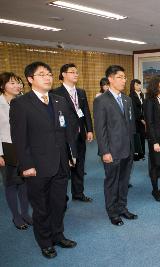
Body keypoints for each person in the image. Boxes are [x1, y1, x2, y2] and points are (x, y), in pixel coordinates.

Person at [10, 61, 78, 258]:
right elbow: (19, 138)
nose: (48, 77)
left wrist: (71, 154)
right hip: (37, 166)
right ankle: (45, 241)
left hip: (60, 163)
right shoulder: (20, 104)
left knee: (59, 203)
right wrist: (27, 165)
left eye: (49, 74)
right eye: (42, 74)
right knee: (41, 207)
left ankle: (58, 235)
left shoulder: (59, 101)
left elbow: (66, 132)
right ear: (30, 79)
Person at [93, 65, 138, 226]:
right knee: (112, 182)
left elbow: (130, 125)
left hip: (127, 149)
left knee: (124, 181)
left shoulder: (127, 99)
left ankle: (122, 207)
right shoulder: (101, 100)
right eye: (119, 77)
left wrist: (134, 148)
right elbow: (100, 128)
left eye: (124, 77)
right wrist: (105, 151)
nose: (123, 80)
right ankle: (112, 212)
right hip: (112, 150)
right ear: (110, 79)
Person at [52, 63, 93, 202]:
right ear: (63, 74)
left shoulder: (81, 92)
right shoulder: (55, 92)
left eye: (77, 72)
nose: (76, 74)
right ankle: (61, 197)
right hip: (65, 137)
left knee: (79, 166)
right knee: (65, 167)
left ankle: (78, 193)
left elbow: (86, 111)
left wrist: (89, 129)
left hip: (80, 134)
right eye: (72, 72)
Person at [0, 72, 32, 230]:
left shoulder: (24, 101)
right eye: (12, 83)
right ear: (2, 86)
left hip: (25, 147)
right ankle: (16, 216)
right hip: (7, 148)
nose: (17, 86)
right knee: (11, 184)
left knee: (25, 183)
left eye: (18, 82)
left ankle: (26, 213)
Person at [129, 79, 146, 161]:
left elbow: (143, 107)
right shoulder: (131, 95)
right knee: (136, 137)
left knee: (142, 137)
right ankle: (136, 155)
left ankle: (142, 154)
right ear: (133, 86)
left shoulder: (141, 94)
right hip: (136, 120)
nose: (139, 86)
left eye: (139, 85)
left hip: (142, 119)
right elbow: (135, 109)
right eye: (137, 85)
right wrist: (141, 119)